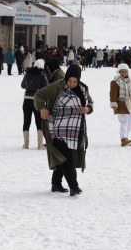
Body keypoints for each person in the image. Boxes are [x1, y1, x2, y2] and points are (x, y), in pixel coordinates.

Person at [34, 64, 93, 195]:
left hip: (75, 130)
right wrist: (42, 108)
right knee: (68, 158)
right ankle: (74, 186)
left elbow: (90, 103)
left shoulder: (83, 89)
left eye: (75, 81)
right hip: (57, 128)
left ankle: (56, 184)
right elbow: (38, 95)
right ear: (66, 78)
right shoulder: (57, 86)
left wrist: (87, 109)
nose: (72, 83)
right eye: (69, 80)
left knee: (63, 157)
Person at [109, 63, 131, 147]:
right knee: (124, 122)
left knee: (130, 122)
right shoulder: (115, 82)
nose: (124, 73)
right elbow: (113, 94)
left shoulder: (130, 81)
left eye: (125, 72)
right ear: (119, 72)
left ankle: (126, 137)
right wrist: (114, 105)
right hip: (121, 104)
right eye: (122, 72)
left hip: (130, 103)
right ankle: (123, 139)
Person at [22, 59, 49, 149]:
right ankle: (40, 145)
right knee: (39, 122)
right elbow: (47, 88)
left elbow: (22, 85)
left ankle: (26, 144)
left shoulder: (27, 74)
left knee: (26, 121)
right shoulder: (42, 76)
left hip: (26, 100)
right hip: (37, 101)